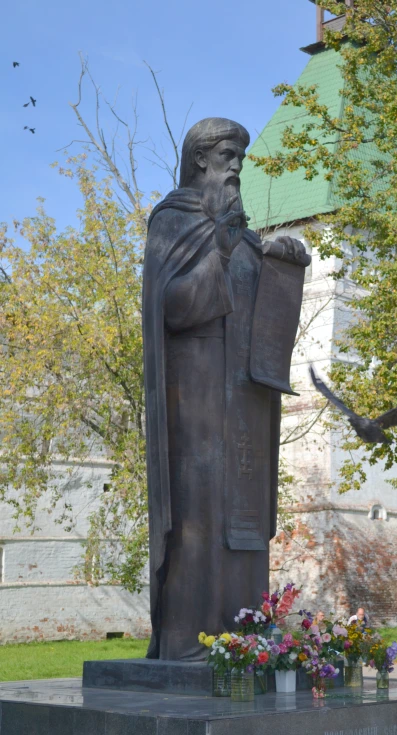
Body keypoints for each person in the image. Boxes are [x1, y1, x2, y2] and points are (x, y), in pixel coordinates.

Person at [142, 118, 308, 660]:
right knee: (201, 511)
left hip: (243, 393)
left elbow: (264, 320)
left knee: (246, 513)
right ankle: (189, 641)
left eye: (241, 153)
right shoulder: (174, 220)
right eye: (226, 153)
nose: (237, 164)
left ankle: (247, 638)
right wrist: (221, 245)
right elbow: (173, 307)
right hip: (195, 389)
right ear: (199, 161)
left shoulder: (244, 237)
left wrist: (278, 266)